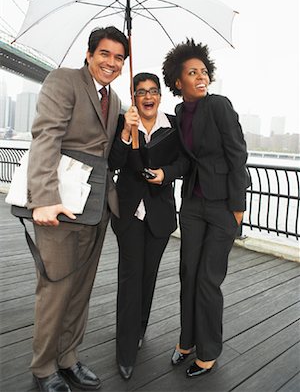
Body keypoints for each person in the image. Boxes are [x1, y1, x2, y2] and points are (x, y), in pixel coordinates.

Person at [26, 26, 129, 392]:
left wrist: (127, 132)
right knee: (55, 289)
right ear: (89, 55)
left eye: (119, 58)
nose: (111, 63)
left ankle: (68, 357)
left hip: (96, 207)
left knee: (81, 290)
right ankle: (43, 368)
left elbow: (108, 155)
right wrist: (43, 199)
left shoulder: (115, 100)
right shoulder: (63, 81)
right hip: (59, 204)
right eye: (105, 54)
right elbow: (47, 137)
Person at [162, 39, 250, 378]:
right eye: (191, 72)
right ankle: (187, 341)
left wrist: (237, 207)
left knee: (208, 280)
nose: (201, 77)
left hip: (223, 207)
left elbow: (237, 154)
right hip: (193, 205)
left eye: (203, 71)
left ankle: (208, 351)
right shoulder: (181, 113)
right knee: (188, 274)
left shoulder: (219, 106)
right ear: (177, 81)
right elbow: (185, 160)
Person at [108, 72, 189, 380]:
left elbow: (184, 163)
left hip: (159, 215)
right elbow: (114, 163)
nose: (148, 96)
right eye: (141, 91)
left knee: (148, 277)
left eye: (153, 91)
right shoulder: (123, 122)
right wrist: (127, 134)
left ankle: (139, 329)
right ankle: (125, 350)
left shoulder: (173, 125)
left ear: (160, 95)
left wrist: (165, 174)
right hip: (129, 213)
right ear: (133, 96)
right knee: (130, 279)